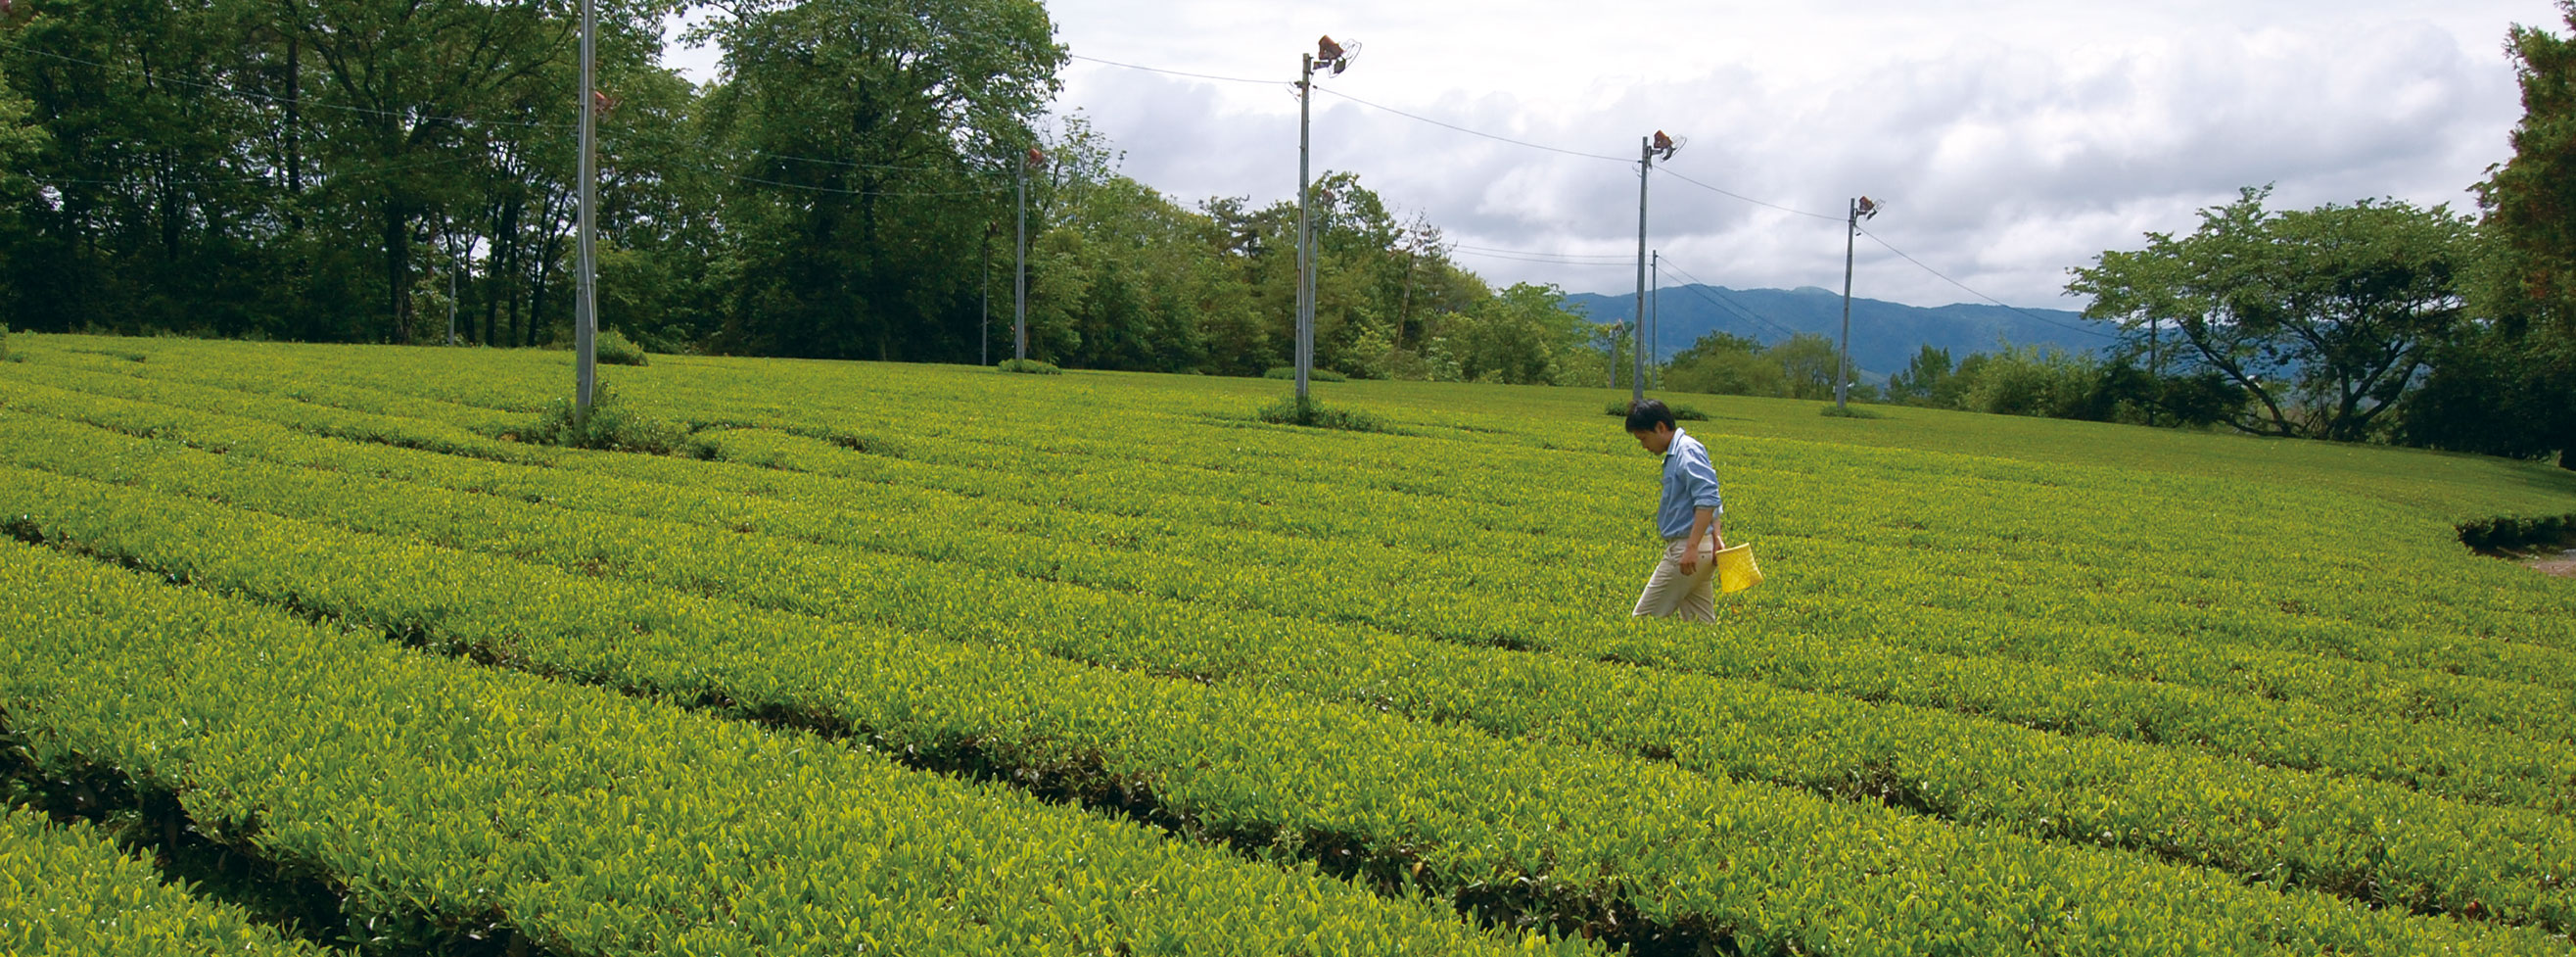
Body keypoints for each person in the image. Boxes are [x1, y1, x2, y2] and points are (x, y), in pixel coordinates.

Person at [1624, 399, 1724, 622]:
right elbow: (1711, 496)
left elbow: (1708, 498)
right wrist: (1716, 537)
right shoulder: (1679, 452)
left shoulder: (1686, 451)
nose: (1644, 445)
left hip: (1688, 550)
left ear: (1660, 427)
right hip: (1700, 548)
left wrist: (1692, 547)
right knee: (1700, 625)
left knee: (1643, 619)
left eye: (1643, 438)